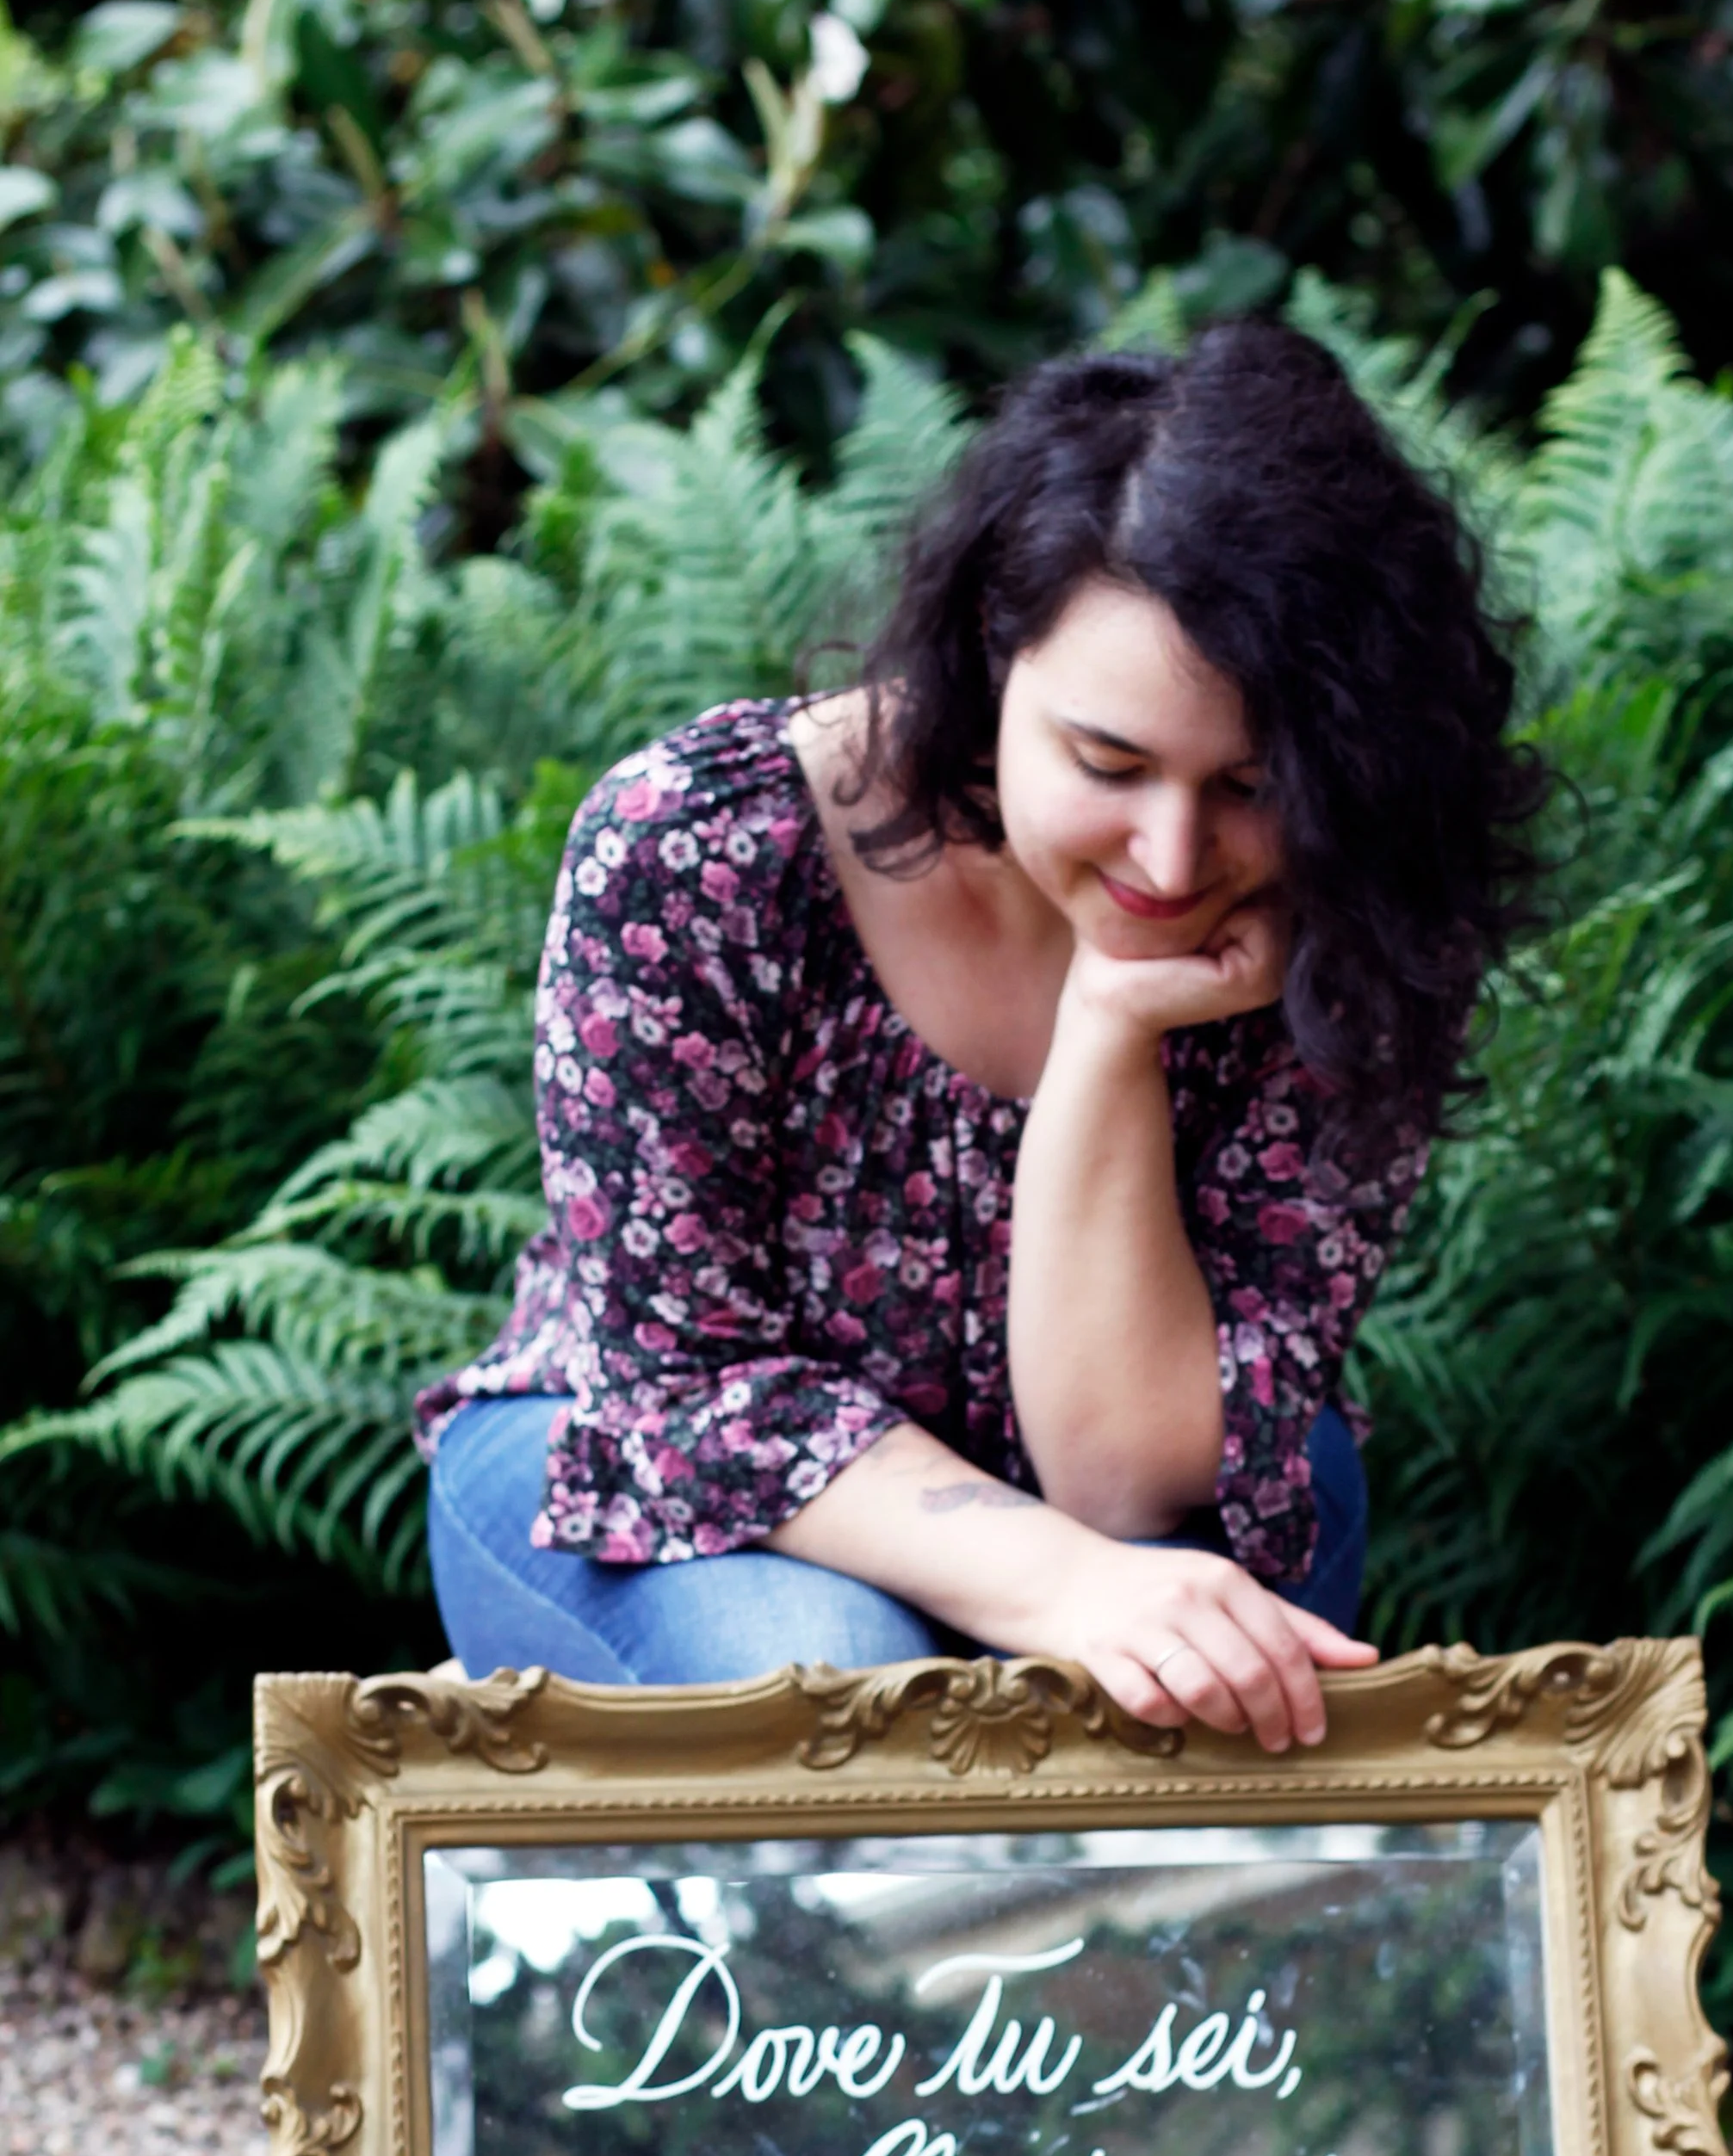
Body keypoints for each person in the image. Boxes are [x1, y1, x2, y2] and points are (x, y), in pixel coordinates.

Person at [415, 318, 1543, 1754]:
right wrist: (1058, 1583)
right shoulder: (696, 848)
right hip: (659, 1470)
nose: (1172, 857)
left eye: (1252, 787)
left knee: (1194, 1659)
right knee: (850, 1695)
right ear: (991, 657)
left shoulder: (1347, 913)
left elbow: (1128, 1478)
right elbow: (684, 1390)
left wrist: (1110, 1024)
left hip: (1123, 1468)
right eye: (1109, 763)